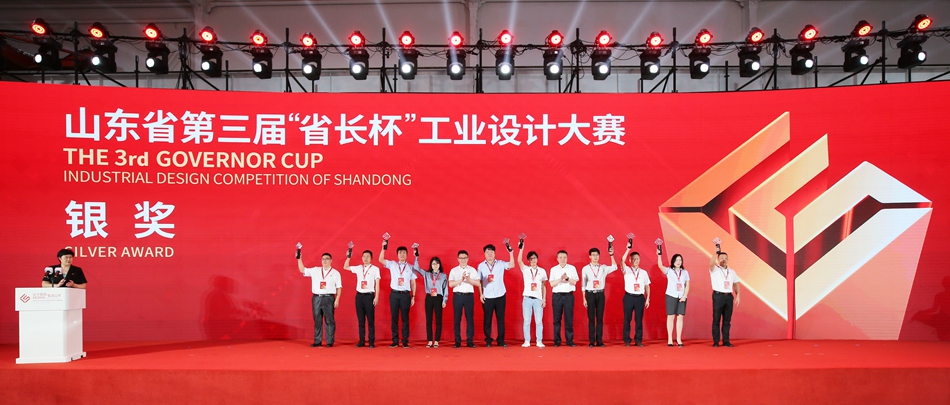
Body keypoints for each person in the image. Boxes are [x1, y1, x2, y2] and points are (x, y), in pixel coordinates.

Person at [297, 250, 342, 348]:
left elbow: (339, 287)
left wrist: (337, 299)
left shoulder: (335, 273)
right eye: (323, 259)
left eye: (327, 259)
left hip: (329, 298)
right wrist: (299, 258)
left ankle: (329, 341)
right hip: (317, 298)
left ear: (331, 260)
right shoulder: (315, 270)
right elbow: (302, 270)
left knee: (329, 320)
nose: (324, 261)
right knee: (317, 320)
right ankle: (317, 341)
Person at [380, 243, 417, 348]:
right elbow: (381, 260)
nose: (402, 255)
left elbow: (413, 283)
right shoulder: (392, 264)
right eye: (400, 253)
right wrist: (383, 248)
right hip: (394, 294)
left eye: (404, 253)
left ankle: (405, 341)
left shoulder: (411, 267)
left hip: (405, 295)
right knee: (394, 318)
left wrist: (413, 296)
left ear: (407, 255)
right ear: (397, 255)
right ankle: (395, 341)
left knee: (405, 318)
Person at [477, 243, 515, 348]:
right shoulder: (481, 266)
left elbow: (512, 265)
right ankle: (488, 340)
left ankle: (501, 340)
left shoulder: (500, 263)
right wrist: (481, 294)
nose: (490, 254)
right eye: (487, 252)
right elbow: (479, 281)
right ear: (484, 254)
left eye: (492, 252)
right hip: (487, 296)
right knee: (487, 319)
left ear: (495, 253)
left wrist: (511, 253)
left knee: (500, 319)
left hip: (500, 295)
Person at [342, 248, 381, 348]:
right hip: (359, 296)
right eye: (364, 256)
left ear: (371, 258)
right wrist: (348, 257)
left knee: (370, 320)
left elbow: (377, 284)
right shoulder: (359, 268)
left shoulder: (375, 269)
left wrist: (376, 297)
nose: (365, 258)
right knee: (361, 320)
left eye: (368, 256)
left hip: (369, 296)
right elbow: (345, 267)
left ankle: (371, 341)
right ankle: (362, 341)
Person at [581, 247, 617, 347]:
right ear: (589, 256)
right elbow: (583, 284)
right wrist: (584, 298)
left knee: (600, 318)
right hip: (590, 294)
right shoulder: (585, 269)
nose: (595, 257)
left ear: (599, 256)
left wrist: (611, 255)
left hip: (600, 294)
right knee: (591, 318)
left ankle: (599, 341)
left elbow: (615, 267)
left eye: (597, 255)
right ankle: (591, 341)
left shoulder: (603, 268)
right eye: (593, 255)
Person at [413, 253, 448, 348]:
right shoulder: (427, 274)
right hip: (429, 298)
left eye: (437, 263)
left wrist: (444, 300)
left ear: (439, 265)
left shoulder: (443, 276)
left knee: (438, 320)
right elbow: (416, 268)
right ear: (431, 265)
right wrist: (416, 257)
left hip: (439, 298)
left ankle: (436, 340)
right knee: (429, 320)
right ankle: (429, 340)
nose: (435, 265)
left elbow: (445, 288)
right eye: (433, 264)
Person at [658, 248, 689, 347]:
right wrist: (659, 255)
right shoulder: (669, 270)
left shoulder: (685, 272)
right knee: (670, 317)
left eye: (680, 260)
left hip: (682, 297)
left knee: (680, 317)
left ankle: (679, 339)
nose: (678, 262)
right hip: (671, 296)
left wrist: (684, 296)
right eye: (676, 260)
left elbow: (687, 285)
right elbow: (660, 266)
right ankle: (670, 339)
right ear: (673, 261)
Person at [449, 250, 480, 348]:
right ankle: (457, 341)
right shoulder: (454, 270)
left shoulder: (472, 270)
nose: (463, 260)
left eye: (465, 258)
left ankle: (470, 341)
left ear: (468, 258)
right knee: (457, 318)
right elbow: (451, 284)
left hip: (469, 296)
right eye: (461, 258)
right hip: (458, 296)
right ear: (458, 259)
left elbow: (478, 283)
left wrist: (469, 279)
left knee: (470, 318)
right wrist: (461, 280)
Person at [709, 249, 740, 347]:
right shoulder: (715, 270)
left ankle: (726, 341)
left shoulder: (732, 272)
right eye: (721, 258)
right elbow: (711, 263)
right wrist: (716, 253)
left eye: (726, 258)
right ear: (718, 259)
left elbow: (736, 284)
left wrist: (738, 295)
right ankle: (716, 341)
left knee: (727, 321)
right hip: (718, 296)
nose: (724, 260)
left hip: (729, 297)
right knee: (716, 319)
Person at [517, 245, 547, 348]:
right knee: (526, 321)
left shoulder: (542, 271)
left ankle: (539, 340)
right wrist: (521, 248)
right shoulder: (525, 269)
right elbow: (519, 261)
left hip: (538, 299)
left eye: (534, 258)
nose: (533, 260)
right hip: (527, 298)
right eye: (531, 259)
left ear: (537, 259)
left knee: (539, 321)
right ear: (528, 261)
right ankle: (527, 340)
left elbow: (544, 286)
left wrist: (544, 299)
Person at [620, 249, 650, 347]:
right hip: (629, 297)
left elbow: (647, 286)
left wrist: (648, 298)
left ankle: (638, 340)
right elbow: (622, 260)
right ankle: (627, 339)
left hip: (640, 298)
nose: (636, 261)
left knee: (639, 319)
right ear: (630, 260)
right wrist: (627, 249)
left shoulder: (644, 272)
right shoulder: (627, 270)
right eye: (633, 259)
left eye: (637, 259)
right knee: (627, 319)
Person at [549, 250, 579, 347]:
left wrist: (567, 278)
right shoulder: (553, 269)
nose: (563, 259)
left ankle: (569, 341)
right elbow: (552, 284)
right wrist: (561, 279)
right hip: (557, 296)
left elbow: (574, 282)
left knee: (569, 319)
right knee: (556, 320)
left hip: (568, 296)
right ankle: (557, 341)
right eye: (560, 257)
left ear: (567, 258)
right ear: (557, 259)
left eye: (564, 257)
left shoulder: (572, 268)